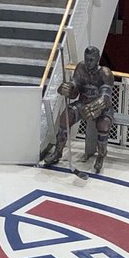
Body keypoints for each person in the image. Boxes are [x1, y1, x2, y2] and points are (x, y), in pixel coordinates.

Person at [44, 45, 116, 173]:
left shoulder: (105, 73)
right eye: (86, 59)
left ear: (98, 59)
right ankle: (58, 152)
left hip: (102, 108)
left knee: (103, 125)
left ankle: (101, 155)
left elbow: (106, 96)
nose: (88, 63)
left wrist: (97, 105)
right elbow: (75, 89)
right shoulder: (80, 68)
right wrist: (68, 88)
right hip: (83, 103)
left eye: (91, 60)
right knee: (66, 117)